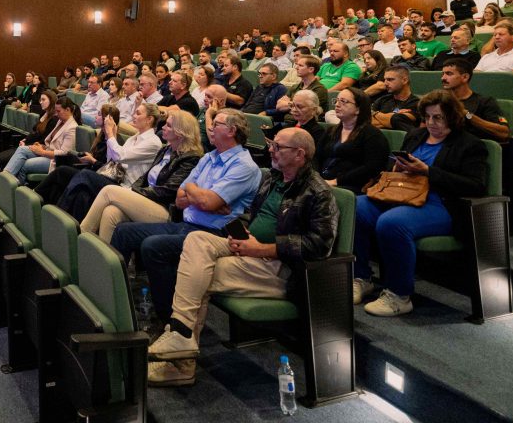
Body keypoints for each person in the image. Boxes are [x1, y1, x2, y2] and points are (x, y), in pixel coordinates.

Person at [146, 127, 338, 387]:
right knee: (196, 240)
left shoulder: (318, 192)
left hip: (282, 267)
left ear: (300, 154)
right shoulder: (272, 179)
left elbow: (319, 245)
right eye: (271, 144)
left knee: (199, 275)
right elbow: (255, 215)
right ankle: (180, 337)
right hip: (251, 250)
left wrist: (264, 248)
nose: (271, 150)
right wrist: (243, 230)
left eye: (278, 147)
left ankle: (181, 358)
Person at [110, 109, 262, 324]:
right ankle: (114, 300)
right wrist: (199, 195)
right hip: (187, 223)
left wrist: (197, 194)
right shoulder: (209, 157)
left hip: (212, 234)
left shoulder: (244, 166)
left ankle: (168, 320)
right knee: (124, 231)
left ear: (231, 131)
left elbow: (206, 201)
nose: (210, 128)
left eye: (216, 124)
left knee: (154, 246)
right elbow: (180, 198)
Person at [352, 90, 488, 317]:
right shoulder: (416, 135)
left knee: (392, 223)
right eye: (427, 117)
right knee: (356, 207)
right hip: (403, 195)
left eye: (438, 117)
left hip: (440, 204)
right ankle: (361, 277)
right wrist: (398, 168)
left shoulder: (470, 145)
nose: (431, 122)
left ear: (452, 117)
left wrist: (428, 171)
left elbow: (476, 186)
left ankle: (399, 295)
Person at [79, 110, 204, 245]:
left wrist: (135, 192)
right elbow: (144, 177)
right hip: (147, 199)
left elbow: (168, 191)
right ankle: (103, 255)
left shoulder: (190, 158)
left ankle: (81, 235)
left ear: (180, 133)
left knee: (109, 191)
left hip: (165, 209)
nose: (162, 127)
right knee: (111, 212)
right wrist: (134, 190)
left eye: (168, 125)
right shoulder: (166, 150)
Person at [317, 88, 391, 192]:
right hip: (323, 182)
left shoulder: (373, 135)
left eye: (343, 101)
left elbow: (371, 168)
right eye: (337, 100)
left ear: (358, 109)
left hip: (351, 186)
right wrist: (316, 177)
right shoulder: (331, 131)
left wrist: (337, 181)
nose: (337, 105)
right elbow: (317, 156)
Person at [1, 96, 79, 179]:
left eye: (58, 111)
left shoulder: (72, 127)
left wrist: (42, 152)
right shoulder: (60, 121)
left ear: (67, 110)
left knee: (25, 164)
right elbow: (52, 143)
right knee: (22, 149)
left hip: (55, 161)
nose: (56, 113)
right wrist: (42, 146)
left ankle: (15, 184)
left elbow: (64, 153)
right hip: (47, 152)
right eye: (56, 111)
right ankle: (5, 177)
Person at [438, 59, 510, 141]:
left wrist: (467, 115)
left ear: (465, 77)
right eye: (443, 74)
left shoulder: (484, 102)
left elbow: (504, 133)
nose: (443, 78)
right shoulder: (440, 101)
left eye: (449, 74)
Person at [0, 90, 58, 167]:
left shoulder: (54, 119)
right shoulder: (44, 114)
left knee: (0, 159)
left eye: (43, 100)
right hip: (29, 145)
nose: (40, 102)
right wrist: (25, 140)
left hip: (38, 149)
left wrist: (26, 144)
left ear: (51, 101)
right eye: (40, 100)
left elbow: (43, 140)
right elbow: (35, 133)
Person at [370, 66, 419, 131]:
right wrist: (393, 118)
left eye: (390, 79)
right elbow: (367, 122)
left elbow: (397, 121)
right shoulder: (382, 100)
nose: (385, 83)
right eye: (385, 80)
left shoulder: (416, 103)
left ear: (404, 80)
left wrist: (375, 113)